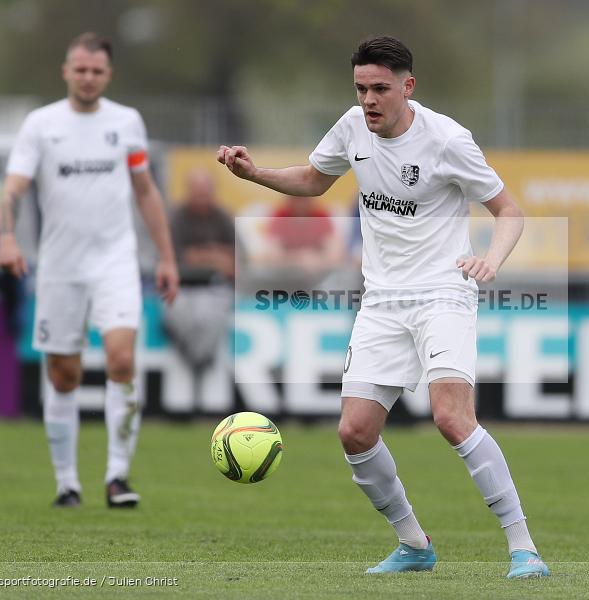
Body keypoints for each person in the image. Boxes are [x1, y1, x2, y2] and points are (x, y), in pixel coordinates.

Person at [218, 36, 548, 579]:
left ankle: (524, 549)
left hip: (444, 290)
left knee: (450, 417)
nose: (368, 100)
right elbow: (312, 180)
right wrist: (254, 174)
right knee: (355, 432)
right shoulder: (352, 128)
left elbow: (509, 210)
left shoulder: (447, 139)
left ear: (407, 86)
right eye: (361, 88)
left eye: (380, 89)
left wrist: (491, 259)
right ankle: (415, 545)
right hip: (382, 299)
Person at [0, 32, 179, 508]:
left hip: (115, 261)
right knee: (63, 376)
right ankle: (67, 482)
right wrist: (7, 236)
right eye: (80, 69)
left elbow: (145, 191)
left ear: (108, 74)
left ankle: (118, 476)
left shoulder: (127, 123)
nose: (88, 78)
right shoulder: (41, 124)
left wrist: (166, 257)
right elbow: (13, 188)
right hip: (59, 266)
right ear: (66, 71)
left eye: (97, 71)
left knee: (122, 360)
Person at [163, 168, 235, 398]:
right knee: (180, 314)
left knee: (211, 315)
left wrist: (201, 255)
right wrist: (215, 256)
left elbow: (236, 263)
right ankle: (200, 359)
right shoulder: (176, 218)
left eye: (206, 192)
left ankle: (197, 360)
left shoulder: (223, 218)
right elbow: (176, 260)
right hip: (181, 287)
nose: (202, 197)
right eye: (197, 192)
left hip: (215, 288)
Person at [261, 194, 345, 282]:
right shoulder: (279, 215)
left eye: (305, 197)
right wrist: (298, 259)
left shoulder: (321, 215)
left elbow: (336, 254)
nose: (300, 202)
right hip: (285, 278)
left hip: (317, 278)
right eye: (296, 197)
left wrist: (316, 260)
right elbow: (270, 254)